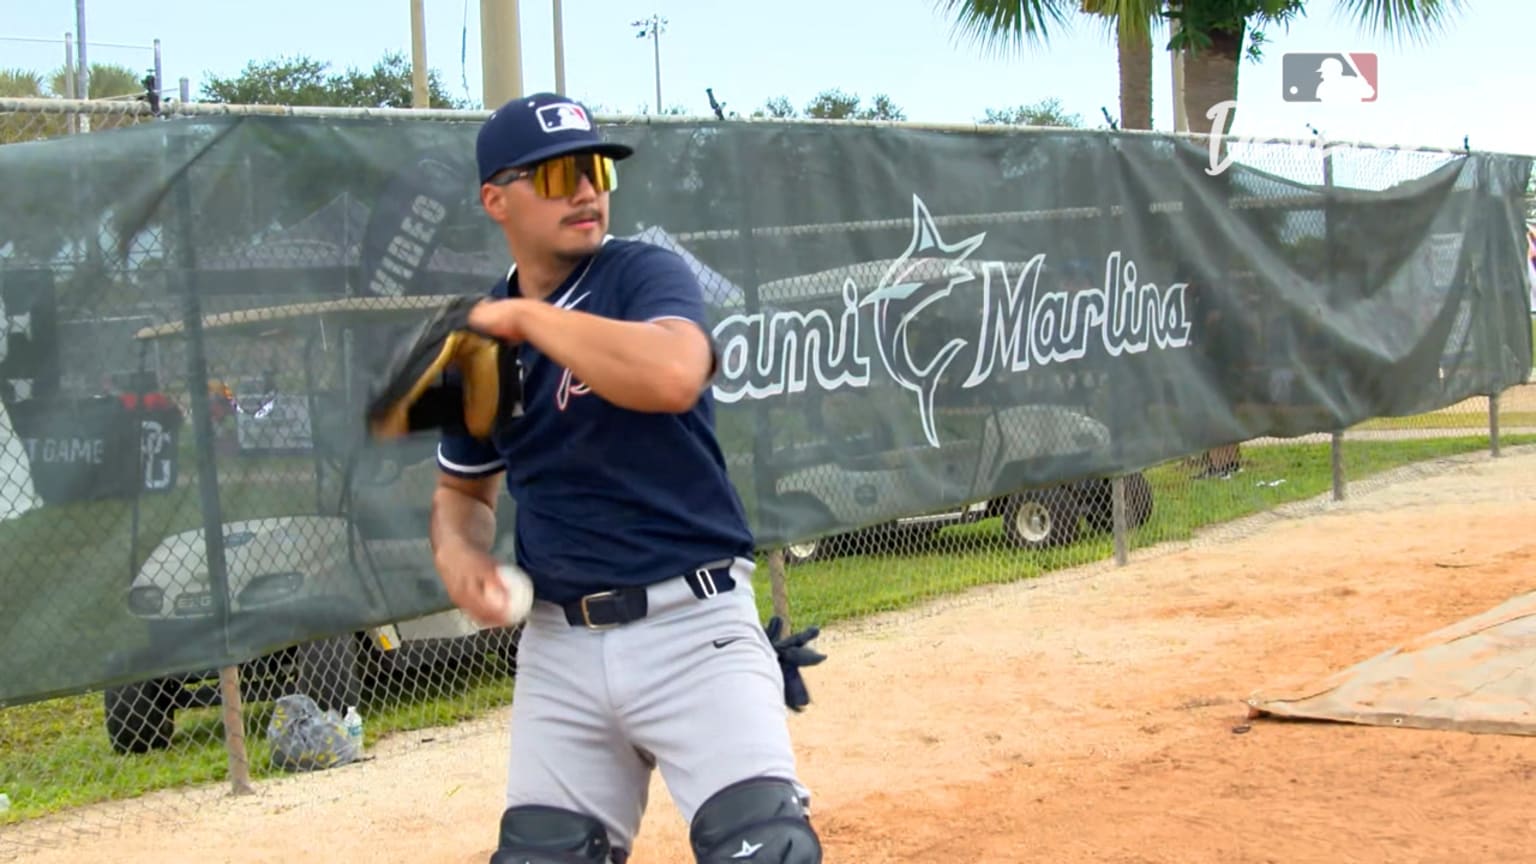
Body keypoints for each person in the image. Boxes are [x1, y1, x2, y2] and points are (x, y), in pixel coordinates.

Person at [427, 92, 823, 864]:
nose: (586, 189)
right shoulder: (477, 345)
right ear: (494, 199)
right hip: (559, 651)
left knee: (768, 851)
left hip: (693, 626)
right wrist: (461, 559)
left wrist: (529, 321)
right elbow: (462, 494)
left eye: (597, 168)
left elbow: (675, 373)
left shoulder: (642, 274)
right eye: (557, 175)